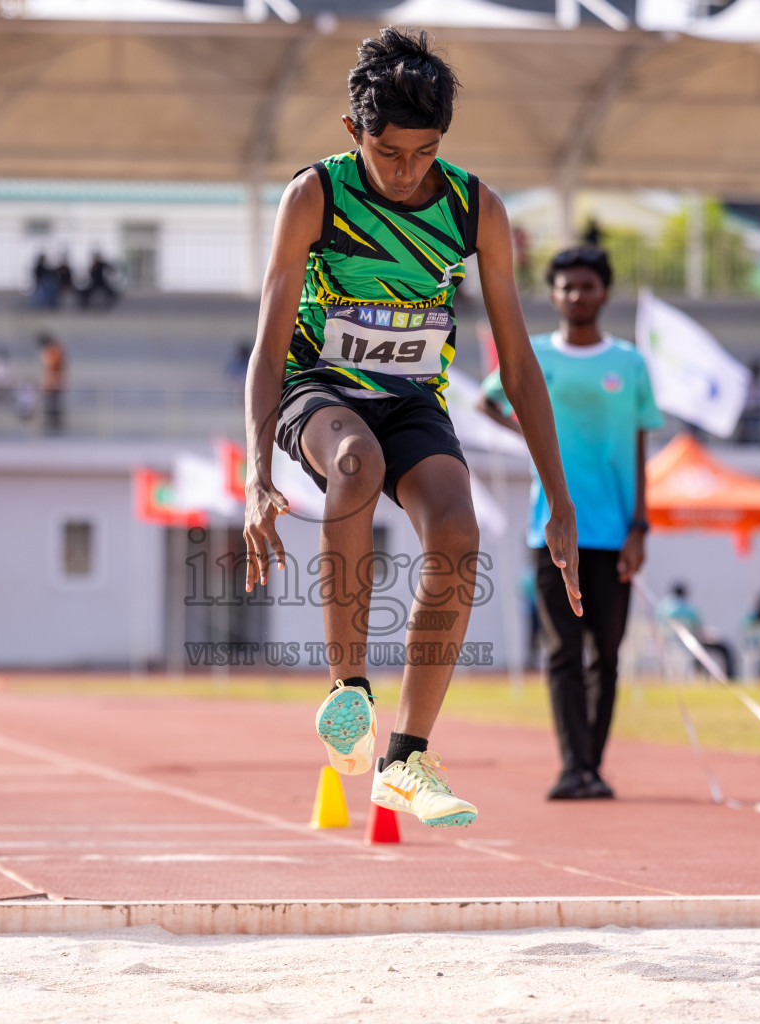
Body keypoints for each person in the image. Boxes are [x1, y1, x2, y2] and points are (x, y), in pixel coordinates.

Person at [241, 28, 583, 829]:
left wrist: (557, 496)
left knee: (458, 532)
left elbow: (521, 367)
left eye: (424, 153)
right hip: (317, 388)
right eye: (390, 154)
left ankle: (405, 759)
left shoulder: (473, 208)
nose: (405, 173)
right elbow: (265, 346)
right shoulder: (315, 196)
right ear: (352, 132)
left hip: (411, 399)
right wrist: (257, 474)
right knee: (354, 462)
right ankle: (347, 690)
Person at [477, 246, 663, 801]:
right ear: (552, 294)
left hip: (612, 533)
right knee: (561, 652)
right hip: (551, 531)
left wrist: (640, 527)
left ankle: (594, 765)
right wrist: (532, 441)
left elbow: (638, 443)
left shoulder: (629, 364)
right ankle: (571, 767)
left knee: (606, 653)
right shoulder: (531, 355)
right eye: (565, 287)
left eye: (587, 286)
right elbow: (488, 401)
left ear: (604, 292)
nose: (576, 295)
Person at [38, 332, 66, 434]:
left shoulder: (53, 350)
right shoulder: (52, 350)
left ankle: (55, 428)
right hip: (51, 383)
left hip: (54, 383)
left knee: (54, 406)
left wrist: (48, 381)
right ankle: (51, 426)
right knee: (50, 406)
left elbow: (51, 367)